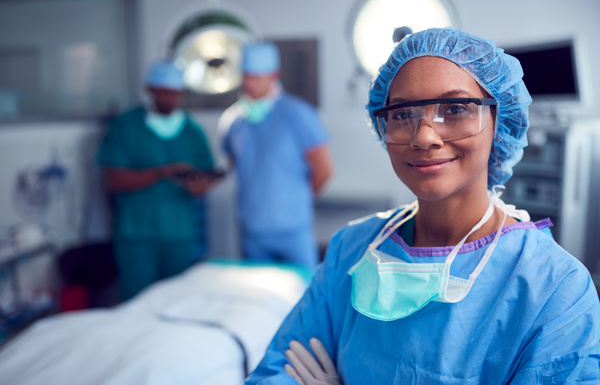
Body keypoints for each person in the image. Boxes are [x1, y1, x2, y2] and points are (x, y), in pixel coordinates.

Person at [244, 28, 600, 384]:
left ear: (499, 121)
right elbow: (278, 371)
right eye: (402, 114)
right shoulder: (350, 251)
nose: (424, 136)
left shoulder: (556, 289)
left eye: (456, 108)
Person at [97, 60, 219, 301]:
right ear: (150, 90)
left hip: (179, 234)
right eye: (163, 92)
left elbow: (205, 177)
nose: (170, 98)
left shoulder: (192, 132)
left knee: (177, 303)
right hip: (136, 236)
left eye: (175, 93)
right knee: (135, 304)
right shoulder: (126, 126)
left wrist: (198, 187)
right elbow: (113, 180)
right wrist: (162, 172)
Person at [220, 42, 333, 269]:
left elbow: (324, 171)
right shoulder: (234, 120)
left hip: (293, 230)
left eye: (257, 77)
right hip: (252, 231)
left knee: (303, 294)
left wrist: (294, 199)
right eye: (246, 76)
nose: (249, 83)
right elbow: (233, 165)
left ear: (274, 75)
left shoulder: (298, 114)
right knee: (257, 298)